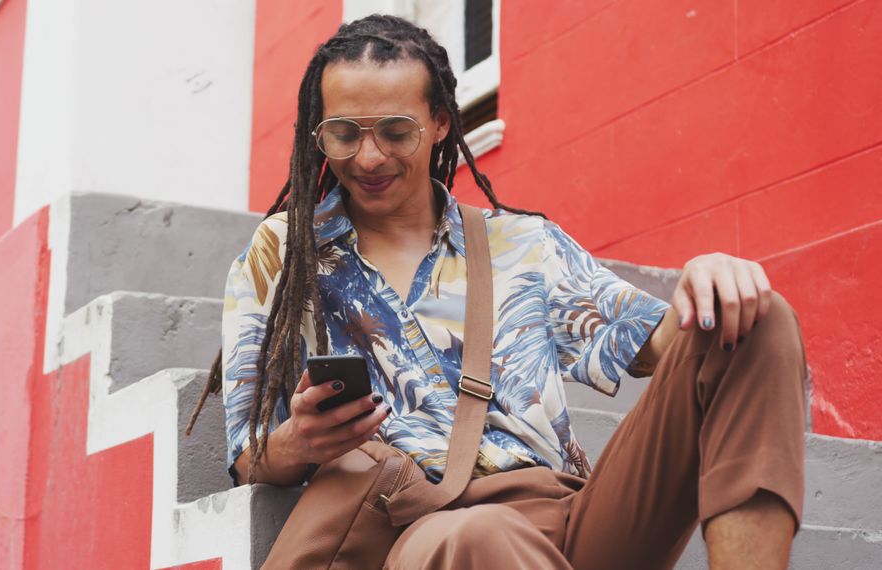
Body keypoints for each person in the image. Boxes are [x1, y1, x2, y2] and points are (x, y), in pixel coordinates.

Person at [187, 14, 807, 570]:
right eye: (345, 133)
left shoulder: (523, 244)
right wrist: (302, 441)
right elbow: (248, 454)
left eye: (395, 131)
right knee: (473, 538)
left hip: (570, 524)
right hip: (420, 533)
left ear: (439, 124)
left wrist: (709, 279)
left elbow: (657, 347)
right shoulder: (286, 254)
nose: (368, 157)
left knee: (754, 319)